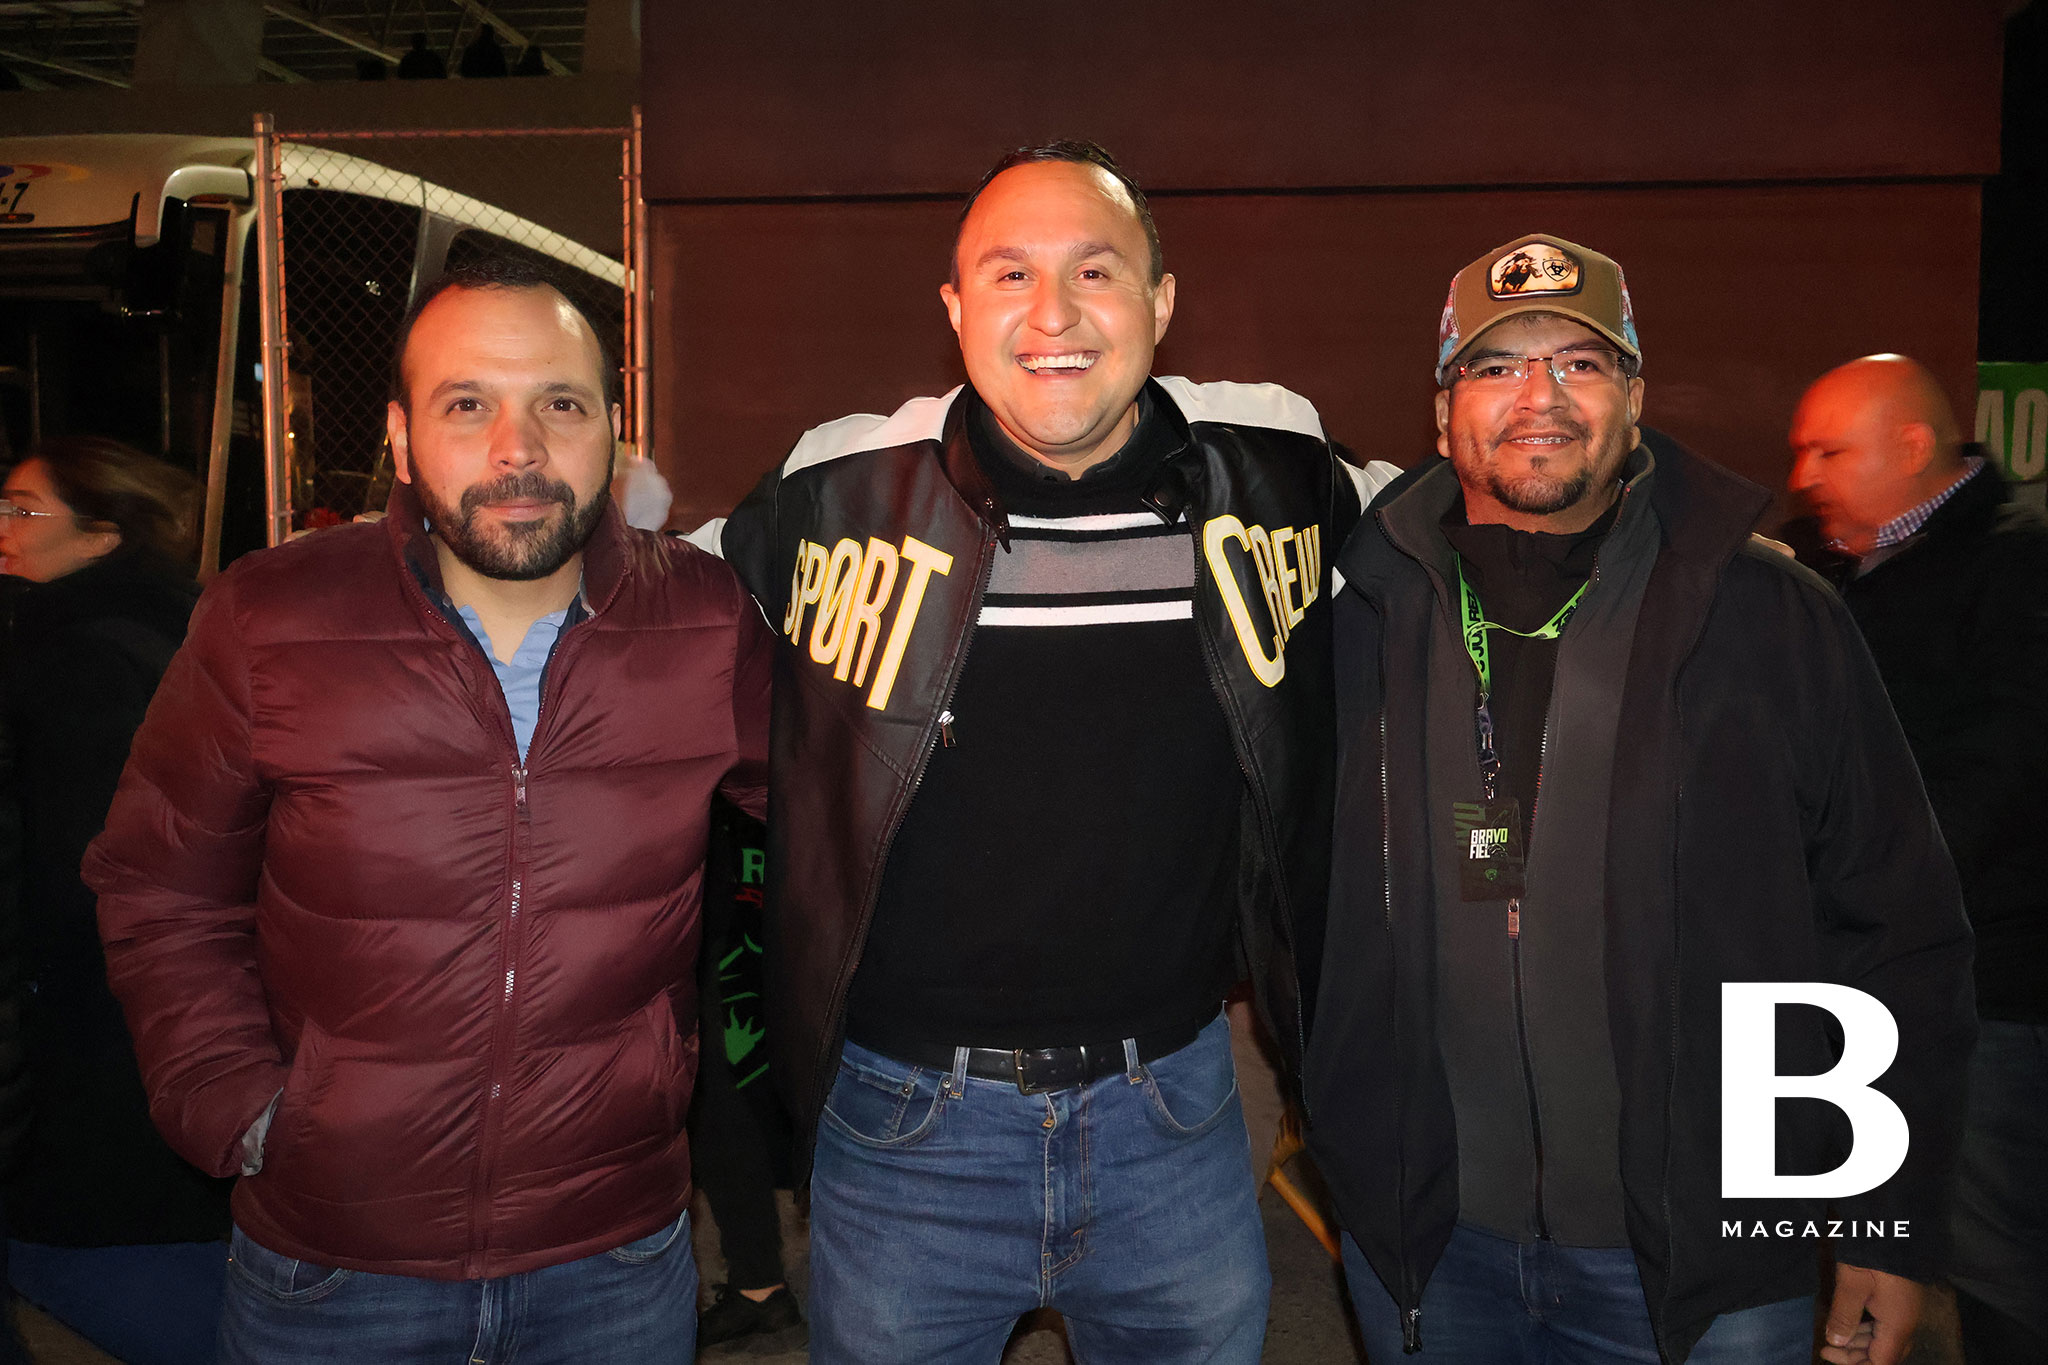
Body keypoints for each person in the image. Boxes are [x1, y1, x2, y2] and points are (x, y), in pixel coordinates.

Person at [691, 138, 1395, 1364]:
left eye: (1095, 271)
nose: (1053, 314)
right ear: (954, 308)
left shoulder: (1275, 469)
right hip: (905, 1129)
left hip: (1174, 1115)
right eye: (1009, 274)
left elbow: (1477, 526)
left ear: (1160, 302)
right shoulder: (839, 490)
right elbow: (630, 618)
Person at [84, 256, 771, 1363]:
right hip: (333, 1265)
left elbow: (845, 817)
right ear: (402, 438)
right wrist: (234, 1102)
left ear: (613, 430)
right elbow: (159, 882)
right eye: (468, 405)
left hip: (613, 1260)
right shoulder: (271, 617)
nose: (518, 449)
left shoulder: (702, 620)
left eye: (560, 403)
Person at [1307, 234, 1976, 1365]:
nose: (1539, 397)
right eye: (1496, 366)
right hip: (1426, 1248)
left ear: (1633, 399)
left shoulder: (1768, 617)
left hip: (1704, 1267)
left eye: (1580, 363)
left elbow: (1896, 925)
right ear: (1443, 412)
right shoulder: (1360, 619)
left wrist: (1884, 1215)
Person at [1786, 355, 2048, 1365]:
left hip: (1981, 984)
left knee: (1995, 1260)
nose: (1803, 474)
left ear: (1910, 447)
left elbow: (1995, 776)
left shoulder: (2013, 568)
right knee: (1837, 1226)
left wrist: (1855, 886)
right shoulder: (1825, 567)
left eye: (1829, 451)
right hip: (1842, 966)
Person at [0, 437, 227, 1365]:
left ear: (101, 535)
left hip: (92, 1041)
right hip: (177, 1025)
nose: (3, 527)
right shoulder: (184, 628)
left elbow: (77, 870)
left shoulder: (69, 660)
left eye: (24, 510)